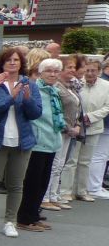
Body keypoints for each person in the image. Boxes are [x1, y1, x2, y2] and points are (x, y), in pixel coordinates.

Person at [0, 47, 42, 236]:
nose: (12, 63)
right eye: (8, 60)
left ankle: (10, 222)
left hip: (22, 142)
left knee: (16, 184)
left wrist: (27, 100)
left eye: (16, 60)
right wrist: (10, 98)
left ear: (21, 63)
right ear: (2, 63)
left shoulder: (30, 84)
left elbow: (36, 113)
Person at [17, 56, 65, 231]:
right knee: (33, 182)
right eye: (48, 71)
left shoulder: (54, 90)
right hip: (37, 141)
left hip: (52, 140)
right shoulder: (34, 88)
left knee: (43, 181)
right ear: (40, 73)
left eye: (56, 71)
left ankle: (34, 214)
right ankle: (24, 218)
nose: (52, 74)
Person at [43, 54, 83, 209]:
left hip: (70, 131)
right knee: (54, 165)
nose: (72, 70)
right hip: (60, 130)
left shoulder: (70, 86)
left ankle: (54, 195)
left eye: (74, 67)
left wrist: (77, 125)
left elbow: (78, 108)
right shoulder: (57, 87)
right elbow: (57, 110)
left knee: (60, 165)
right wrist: (68, 128)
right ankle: (46, 197)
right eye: (69, 67)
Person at [73, 57, 109, 201]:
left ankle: (82, 191)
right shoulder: (77, 83)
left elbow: (107, 107)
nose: (89, 73)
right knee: (72, 161)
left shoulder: (106, 85)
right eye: (87, 70)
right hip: (76, 126)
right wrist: (79, 118)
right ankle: (66, 191)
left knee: (86, 160)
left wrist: (90, 117)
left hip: (94, 126)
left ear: (99, 71)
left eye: (93, 70)